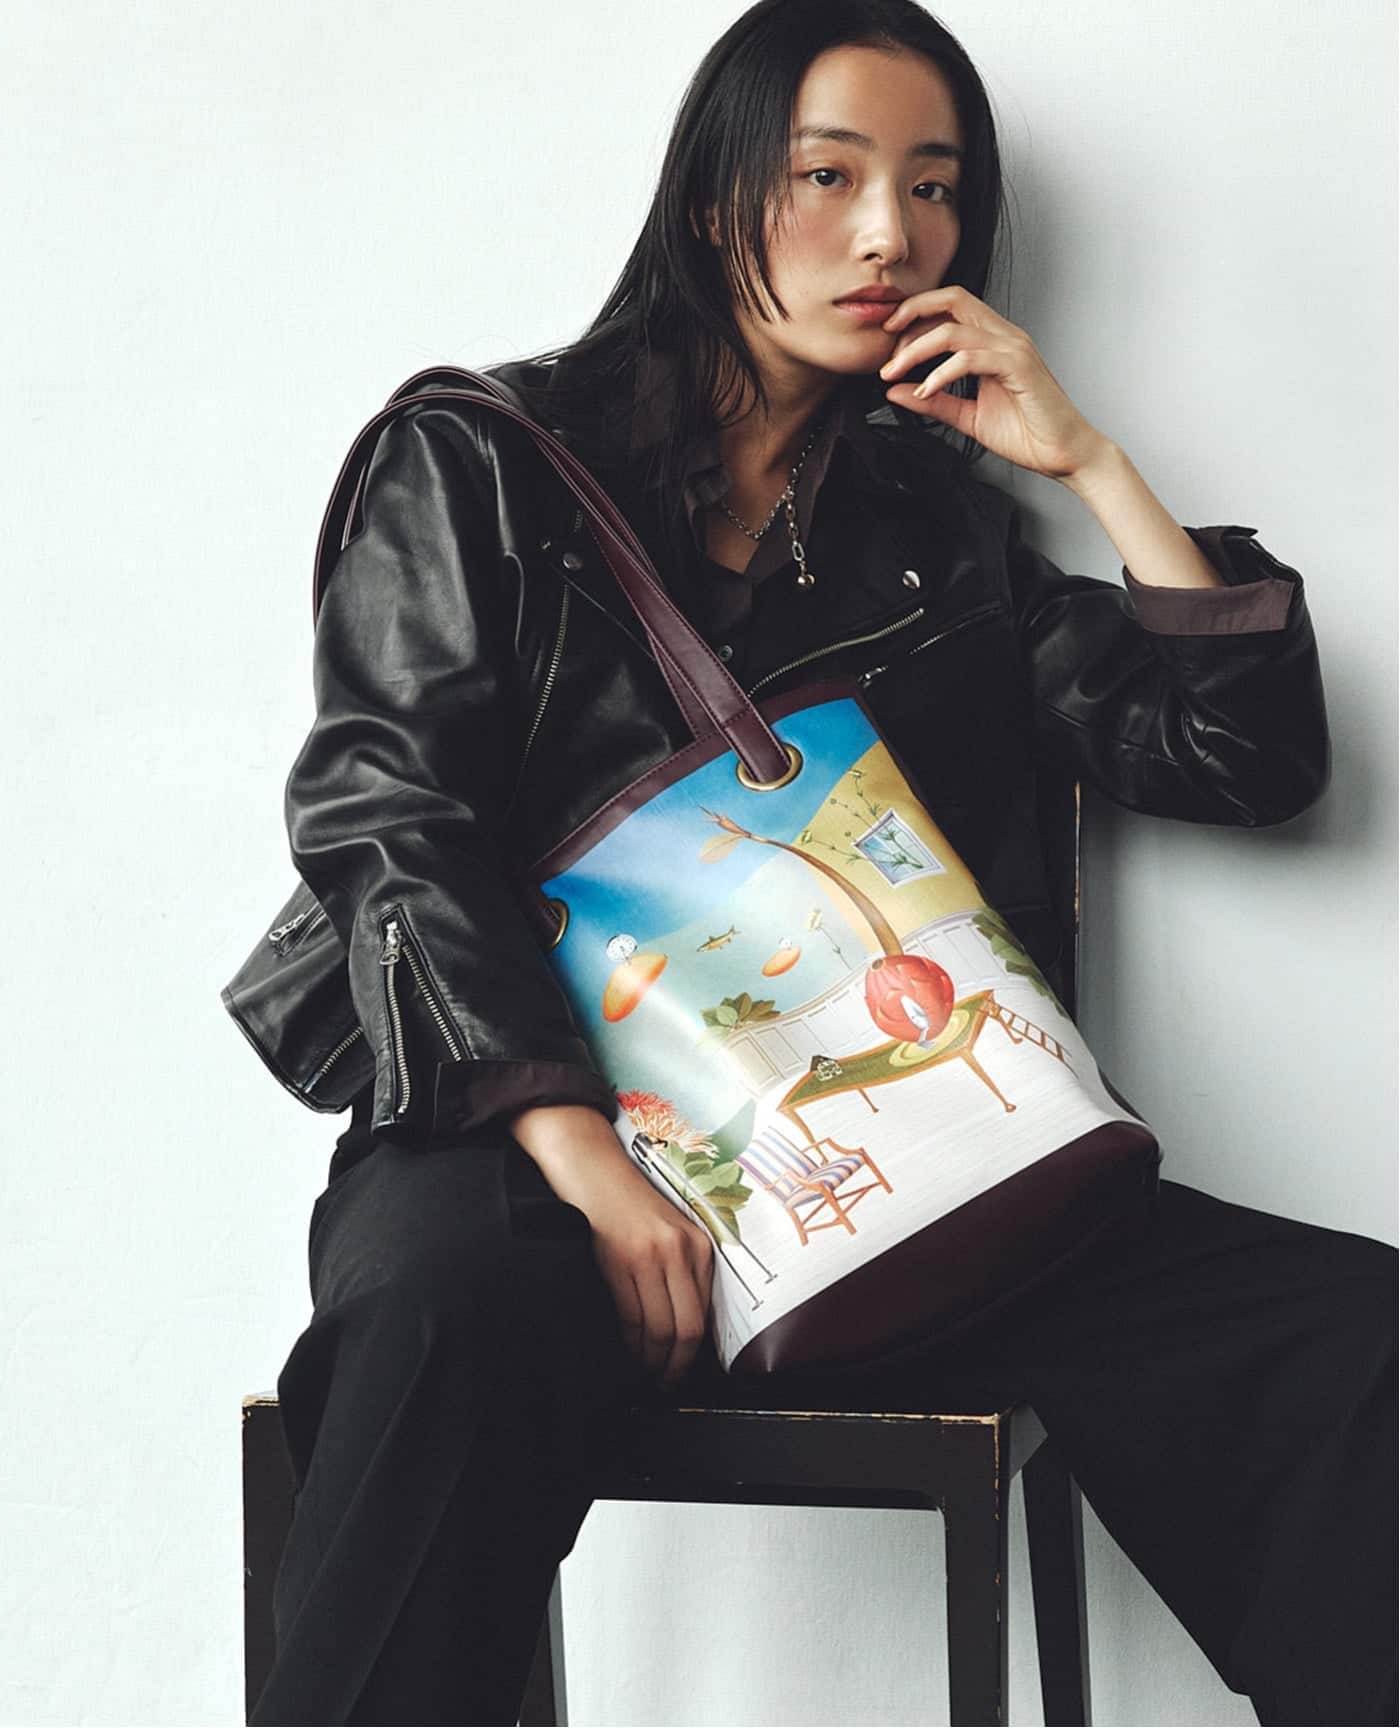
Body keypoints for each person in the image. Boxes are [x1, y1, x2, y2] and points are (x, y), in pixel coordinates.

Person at [246, 2, 1397, 1722]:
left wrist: (1090, 465)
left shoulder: (932, 533)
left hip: (872, 1148)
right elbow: (383, 812)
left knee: (1353, 1344)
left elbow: (1244, 761)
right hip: (525, 1141)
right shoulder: (482, 458)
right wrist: (576, 1146)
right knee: (439, 1316)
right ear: (717, 191)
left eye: (934, 187)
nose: (889, 235)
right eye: (829, 175)